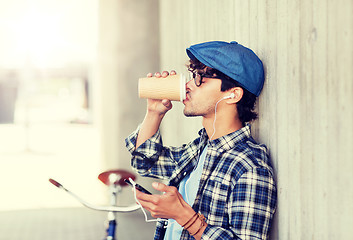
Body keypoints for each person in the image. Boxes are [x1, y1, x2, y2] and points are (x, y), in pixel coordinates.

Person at [125, 41, 277, 240]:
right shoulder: (201, 148)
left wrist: (184, 216)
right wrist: (154, 112)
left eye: (200, 79)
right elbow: (146, 162)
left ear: (233, 94)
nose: (188, 86)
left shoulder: (250, 167)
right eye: (191, 76)